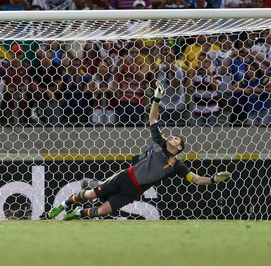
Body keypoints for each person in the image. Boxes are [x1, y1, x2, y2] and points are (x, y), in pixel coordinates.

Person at [47, 82, 232, 220]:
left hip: (134, 191)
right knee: (91, 194)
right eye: (173, 135)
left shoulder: (176, 165)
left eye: (176, 138)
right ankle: (63, 205)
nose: (173, 137)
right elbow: (153, 119)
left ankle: (77, 214)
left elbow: (197, 179)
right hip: (125, 176)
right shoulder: (159, 141)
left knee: (104, 210)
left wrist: (214, 179)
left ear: (179, 147)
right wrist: (156, 99)